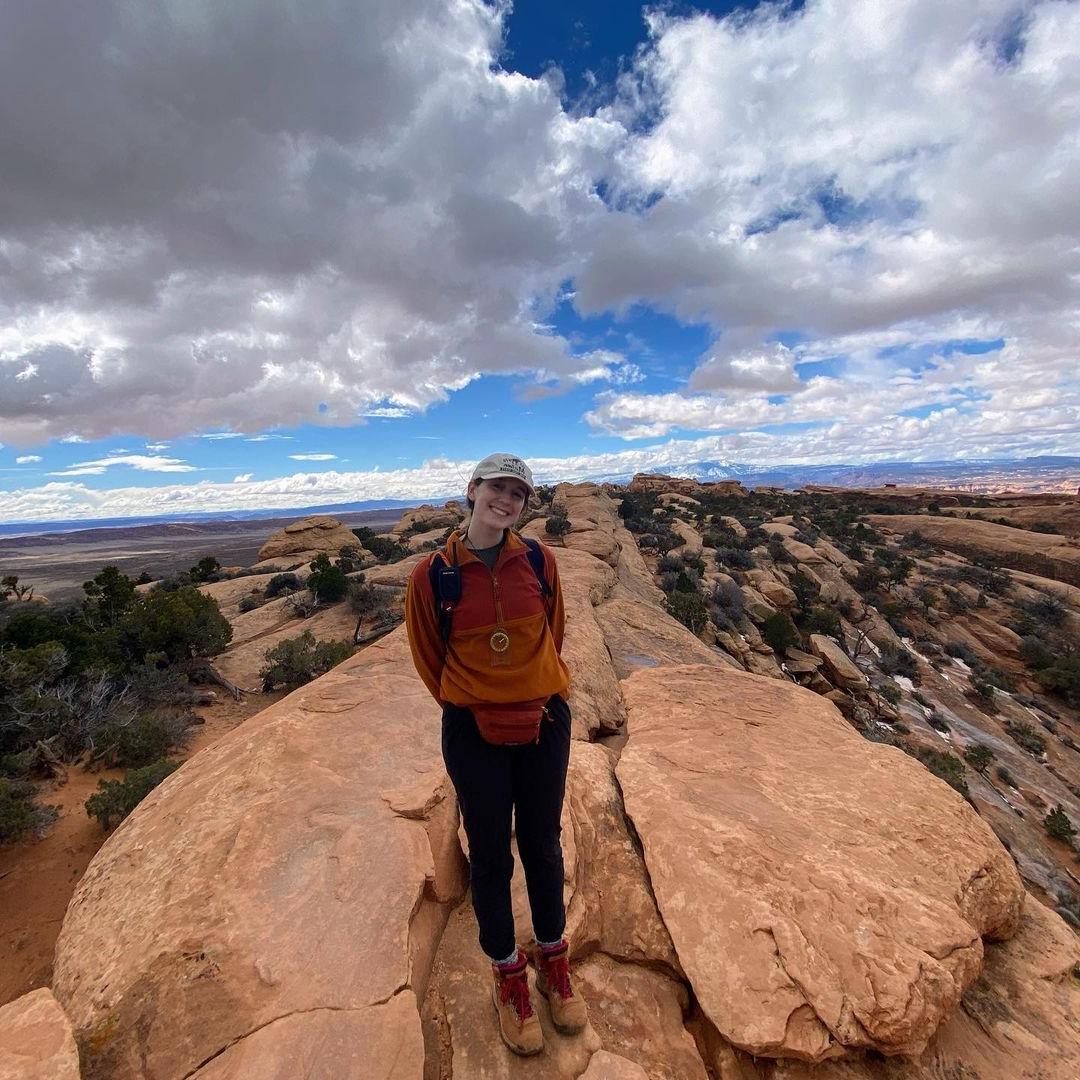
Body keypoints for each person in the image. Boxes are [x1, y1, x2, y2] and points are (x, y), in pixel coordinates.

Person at [405, 453, 587, 1056]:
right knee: (489, 855)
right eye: (496, 488)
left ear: (524, 506)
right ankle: (508, 975)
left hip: (543, 718)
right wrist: (473, 700)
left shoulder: (538, 560)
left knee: (541, 843)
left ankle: (553, 963)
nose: (505, 500)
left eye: (518, 493)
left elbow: (552, 635)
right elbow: (430, 660)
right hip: (472, 728)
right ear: (473, 490)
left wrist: (528, 688)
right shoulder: (434, 576)